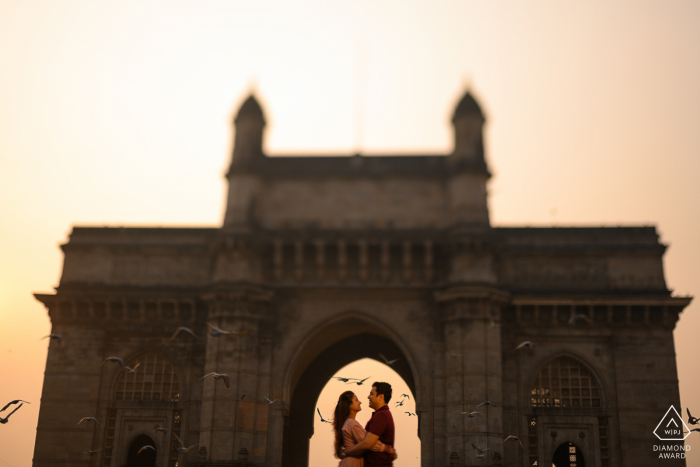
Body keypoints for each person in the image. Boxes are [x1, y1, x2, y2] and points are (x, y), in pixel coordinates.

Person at [333, 390, 396, 467]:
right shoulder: (351, 423)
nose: (360, 402)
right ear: (350, 405)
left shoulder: (348, 423)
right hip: (353, 463)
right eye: (356, 400)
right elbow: (368, 443)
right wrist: (387, 449)